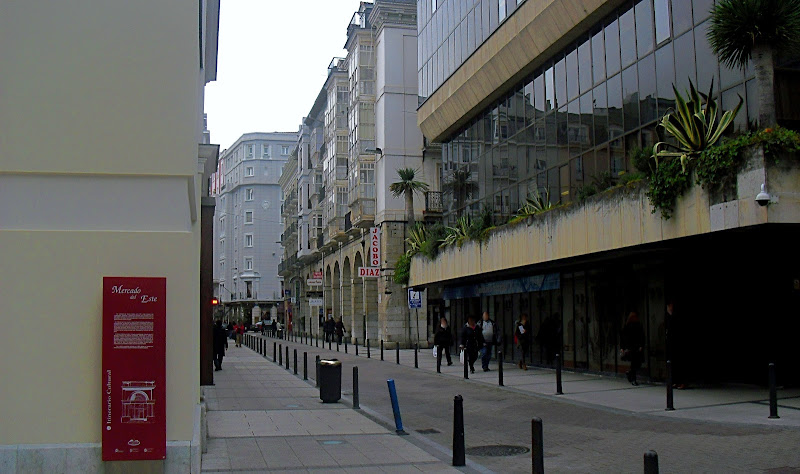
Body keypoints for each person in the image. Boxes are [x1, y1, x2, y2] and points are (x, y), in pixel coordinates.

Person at [665, 300, 689, 389]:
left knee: (680, 363)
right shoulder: (670, 317)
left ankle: (682, 382)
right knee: (674, 363)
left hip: (678, 344)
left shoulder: (676, 317)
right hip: (673, 344)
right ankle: (677, 381)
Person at [621, 311, 645, 385]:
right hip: (633, 347)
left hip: (633, 347)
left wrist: (623, 347)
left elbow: (641, 336)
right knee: (635, 363)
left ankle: (631, 374)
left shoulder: (631, 325)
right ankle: (633, 378)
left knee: (635, 363)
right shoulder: (630, 326)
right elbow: (623, 337)